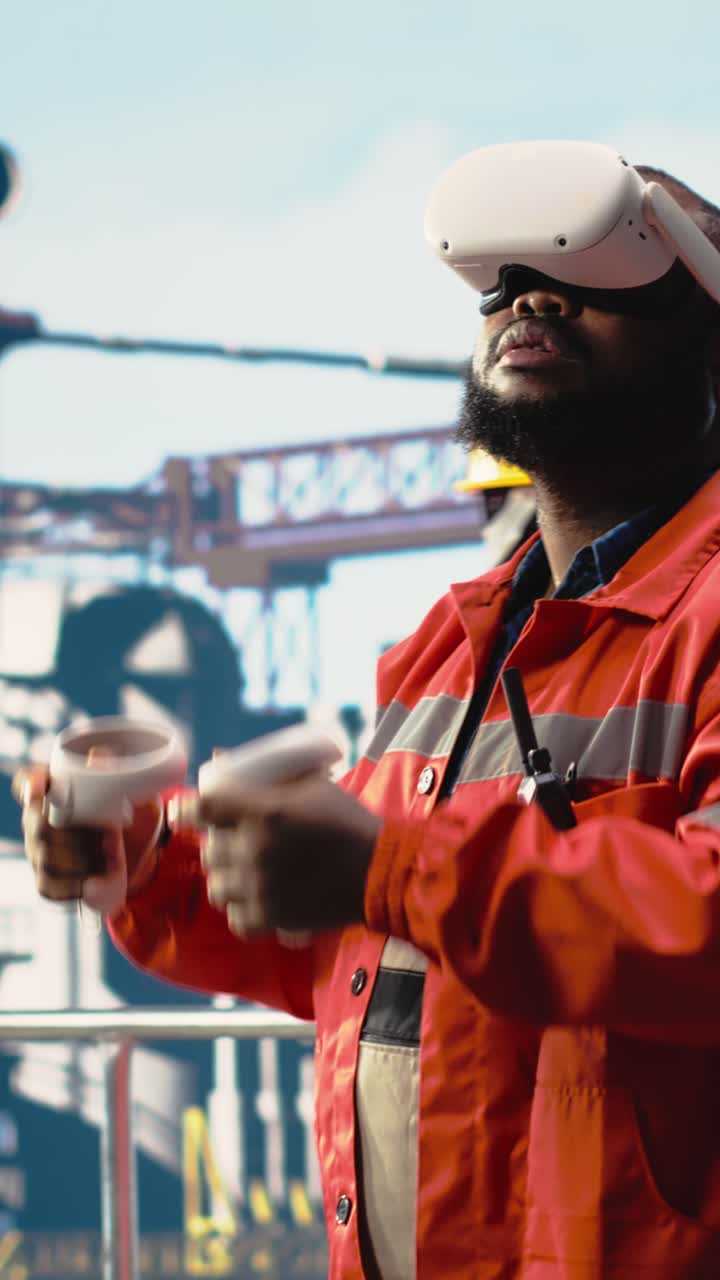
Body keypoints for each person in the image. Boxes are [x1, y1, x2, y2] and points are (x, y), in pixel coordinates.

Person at [15, 158, 720, 1280]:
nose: (533, 295)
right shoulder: (445, 647)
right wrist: (150, 867)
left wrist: (391, 868)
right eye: (505, 280)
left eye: (606, 273)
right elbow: (353, 952)